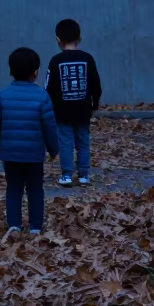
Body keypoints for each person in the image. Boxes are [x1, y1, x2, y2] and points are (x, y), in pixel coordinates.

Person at [0, 47, 60, 235]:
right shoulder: (42, 96)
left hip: (10, 155)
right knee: (35, 189)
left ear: (11, 71)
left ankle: (14, 224)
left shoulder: (3, 95)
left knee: (14, 189)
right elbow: (49, 126)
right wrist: (53, 149)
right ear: (35, 72)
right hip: (34, 155)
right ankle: (35, 226)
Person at [44, 19, 103, 186]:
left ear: (58, 40)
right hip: (83, 110)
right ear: (80, 38)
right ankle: (84, 175)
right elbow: (95, 84)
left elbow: (48, 87)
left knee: (65, 142)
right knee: (83, 141)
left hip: (62, 111)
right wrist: (95, 103)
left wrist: (49, 107)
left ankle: (67, 175)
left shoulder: (55, 61)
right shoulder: (88, 59)